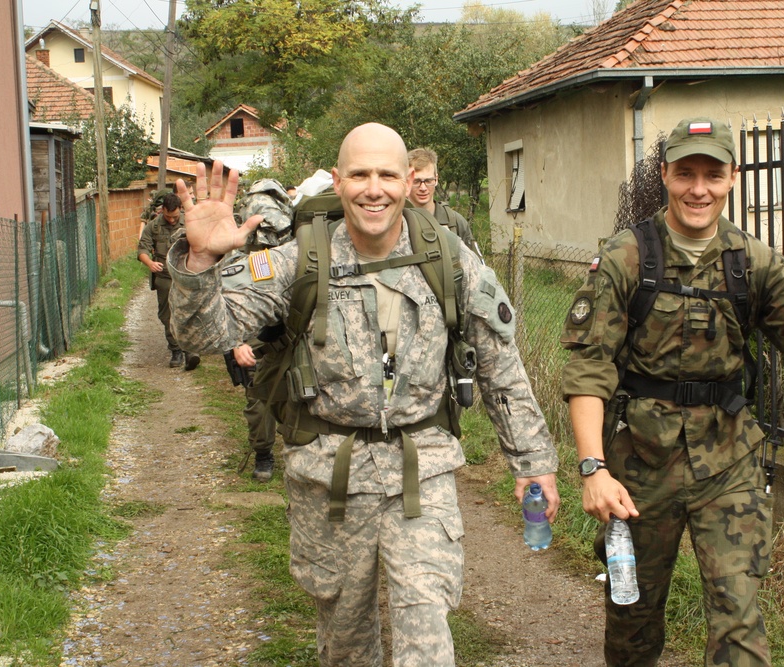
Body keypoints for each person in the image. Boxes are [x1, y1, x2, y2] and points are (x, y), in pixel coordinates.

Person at [166, 123, 560, 666]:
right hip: (330, 478)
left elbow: (499, 363)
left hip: (422, 472)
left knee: (426, 629)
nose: (373, 188)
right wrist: (199, 265)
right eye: (359, 174)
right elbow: (200, 336)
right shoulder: (297, 261)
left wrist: (532, 458)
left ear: (407, 181)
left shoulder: (448, 258)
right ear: (338, 180)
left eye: (386, 174)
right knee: (347, 643)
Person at [560, 117, 784, 667]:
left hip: (728, 459)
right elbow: (588, 369)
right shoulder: (626, 257)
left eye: (712, 175)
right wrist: (592, 468)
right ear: (666, 174)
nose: (699, 189)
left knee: (738, 613)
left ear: (732, 178)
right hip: (641, 466)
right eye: (686, 173)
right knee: (633, 614)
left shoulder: (753, 261)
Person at [224, 178, 296, 483]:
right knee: (259, 401)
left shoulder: (299, 247)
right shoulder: (236, 252)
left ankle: (300, 451)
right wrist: (235, 343)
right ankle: (263, 454)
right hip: (255, 338)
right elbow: (225, 304)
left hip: (294, 335)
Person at [137, 193, 201, 370]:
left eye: (175, 216)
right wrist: (149, 262)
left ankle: (190, 350)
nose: (172, 220)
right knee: (167, 315)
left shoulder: (190, 222)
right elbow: (142, 248)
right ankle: (176, 350)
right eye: (168, 216)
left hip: (186, 275)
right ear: (162, 210)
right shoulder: (154, 226)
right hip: (165, 277)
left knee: (188, 312)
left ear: (180, 210)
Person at [407, 147, 481, 257]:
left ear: (436, 179)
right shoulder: (397, 222)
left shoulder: (455, 222)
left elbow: (480, 268)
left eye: (428, 181)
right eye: (416, 181)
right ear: (407, 181)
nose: (423, 188)